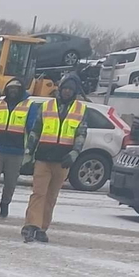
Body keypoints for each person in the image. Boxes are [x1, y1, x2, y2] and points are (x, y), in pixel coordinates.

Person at [22, 74, 87, 243]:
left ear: (75, 92)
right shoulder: (47, 106)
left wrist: (74, 153)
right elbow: (36, 130)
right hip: (44, 156)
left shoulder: (80, 110)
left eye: (70, 90)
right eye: (65, 88)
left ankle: (42, 228)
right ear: (60, 88)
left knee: (51, 196)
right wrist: (30, 151)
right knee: (38, 193)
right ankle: (31, 225)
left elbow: (81, 134)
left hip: (63, 159)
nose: (67, 92)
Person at [0, 78, 31, 221]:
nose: (13, 91)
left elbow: (32, 127)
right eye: (10, 88)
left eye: (16, 88)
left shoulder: (29, 106)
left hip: (16, 151)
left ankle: (5, 204)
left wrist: (30, 150)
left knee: (10, 183)